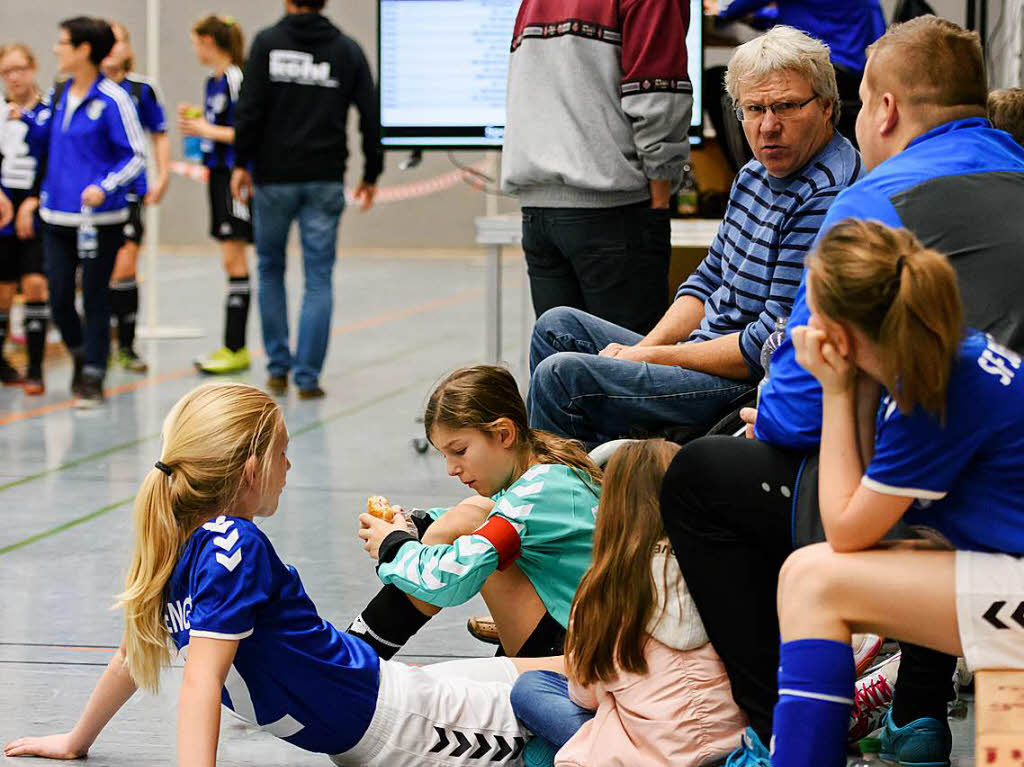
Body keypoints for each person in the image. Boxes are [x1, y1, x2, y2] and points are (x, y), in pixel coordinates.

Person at [659, 16, 1024, 765]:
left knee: (735, 503)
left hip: (981, 550)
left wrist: (828, 390)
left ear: (880, 109)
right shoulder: (964, 354)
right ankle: (917, 711)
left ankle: (774, 733)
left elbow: (798, 430)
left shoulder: (874, 210)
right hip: (981, 512)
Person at [1, 382, 560, 767]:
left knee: (581, 674)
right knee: (587, 697)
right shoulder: (231, 545)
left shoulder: (179, 546)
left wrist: (79, 740)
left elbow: (131, 655)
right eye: (284, 454)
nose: (290, 468)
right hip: (410, 728)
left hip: (393, 692)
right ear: (252, 468)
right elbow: (198, 680)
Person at [759, 220, 1024, 767]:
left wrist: (835, 388)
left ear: (843, 331)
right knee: (809, 574)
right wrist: (854, 382)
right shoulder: (937, 359)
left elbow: (846, 529)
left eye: (809, 314)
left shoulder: (927, 391)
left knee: (814, 582)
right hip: (1005, 568)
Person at [527, 25, 862, 449]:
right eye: (753, 110)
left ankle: (560, 506)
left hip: (740, 382)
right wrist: (640, 352)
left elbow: (767, 344)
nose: (768, 127)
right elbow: (706, 282)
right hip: (703, 352)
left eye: (786, 106)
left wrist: (650, 357)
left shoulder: (827, 193)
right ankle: (600, 483)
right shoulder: (756, 174)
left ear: (827, 107)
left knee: (562, 376)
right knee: (556, 326)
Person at [510, 439, 746, 767]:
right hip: (738, 744)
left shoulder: (602, 591)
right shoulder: (728, 569)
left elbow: (585, 695)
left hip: (650, 756)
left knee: (531, 691)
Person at [349, 365, 601, 660]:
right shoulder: (543, 472)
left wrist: (394, 546)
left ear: (504, 433)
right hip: (585, 634)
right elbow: (495, 518)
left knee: (469, 523)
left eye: (459, 450)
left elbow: (449, 581)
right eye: (444, 455)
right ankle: (352, 659)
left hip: (581, 654)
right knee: (472, 516)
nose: (451, 469)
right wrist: (416, 527)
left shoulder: (539, 492)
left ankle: (351, 661)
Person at [500, 0, 692, 335]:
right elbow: (659, 95)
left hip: (538, 212)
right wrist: (660, 198)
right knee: (628, 370)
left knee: (560, 371)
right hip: (612, 210)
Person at [231, 0, 382, 399]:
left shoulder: (267, 43)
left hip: (273, 178)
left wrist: (241, 162)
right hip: (323, 178)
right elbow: (370, 115)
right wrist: (372, 173)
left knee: (269, 269)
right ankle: (307, 377)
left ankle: (278, 367)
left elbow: (248, 108)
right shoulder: (347, 49)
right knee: (318, 278)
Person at [34, 17, 146, 408]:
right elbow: (44, 143)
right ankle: (80, 353)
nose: (56, 50)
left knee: (95, 297)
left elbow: (136, 156)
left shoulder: (114, 99)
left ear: (83, 50)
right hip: (55, 217)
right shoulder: (59, 93)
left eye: (62, 42)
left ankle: (95, 373)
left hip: (100, 222)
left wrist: (105, 186)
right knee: (60, 297)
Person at [179, 14, 254, 376]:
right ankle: (232, 345)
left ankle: (236, 347)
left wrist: (205, 128)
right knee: (229, 260)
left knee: (235, 259)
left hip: (233, 177)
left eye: (195, 42)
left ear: (210, 41)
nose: (193, 49)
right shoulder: (214, 81)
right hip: (216, 175)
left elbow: (245, 130)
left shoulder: (237, 77)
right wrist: (198, 126)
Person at [711, 0, 886, 145]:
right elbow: (810, 10)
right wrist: (760, 17)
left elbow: (733, 9)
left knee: (719, 83)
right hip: (860, 80)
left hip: (823, 67)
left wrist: (719, 8)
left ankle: (755, 179)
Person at [100, 21, 170, 375]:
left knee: (125, 265)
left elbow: (159, 134)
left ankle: (125, 345)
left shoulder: (142, 89)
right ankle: (96, 344)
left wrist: (163, 174)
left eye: (119, 41)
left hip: (128, 191)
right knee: (93, 269)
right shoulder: (78, 88)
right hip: (87, 196)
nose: (113, 48)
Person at [0, 43, 49, 394]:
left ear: (32, 69)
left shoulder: (49, 111)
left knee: (34, 284)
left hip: (36, 206)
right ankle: (3, 363)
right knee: (2, 290)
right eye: (6, 72)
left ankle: (35, 367)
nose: (13, 77)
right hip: (3, 204)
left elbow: (56, 161)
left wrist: (33, 200)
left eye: (19, 68)